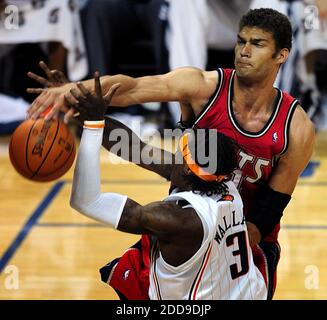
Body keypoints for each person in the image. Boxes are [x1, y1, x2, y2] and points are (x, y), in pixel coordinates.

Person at [27, 8, 316, 299]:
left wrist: (207, 242)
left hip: (233, 239)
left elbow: (266, 214)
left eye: (257, 44)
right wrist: (75, 94)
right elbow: (132, 94)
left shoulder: (297, 128)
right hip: (198, 225)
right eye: (241, 41)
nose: (244, 51)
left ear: (282, 54)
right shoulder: (202, 87)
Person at [69, 74, 268, 300]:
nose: (173, 152)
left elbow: (87, 201)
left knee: (133, 269)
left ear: (186, 168)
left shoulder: (176, 220)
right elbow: (134, 147)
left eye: (181, 148)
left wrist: (93, 127)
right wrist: (85, 116)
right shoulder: (223, 180)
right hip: (245, 291)